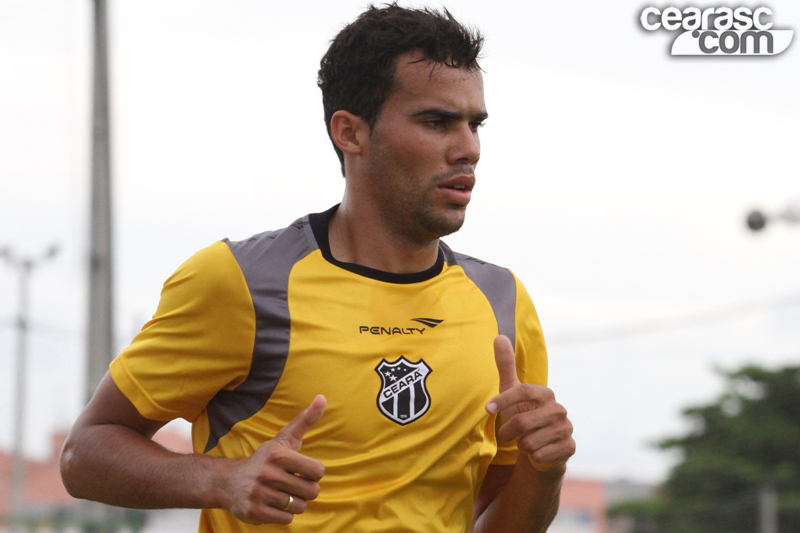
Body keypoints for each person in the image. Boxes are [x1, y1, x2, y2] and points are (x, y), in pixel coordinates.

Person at [60, 4, 575, 532]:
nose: (469, 149)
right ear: (350, 132)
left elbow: (494, 523)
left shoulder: (501, 302)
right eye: (436, 122)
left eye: (475, 124)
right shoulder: (242, 282)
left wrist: (546, 469)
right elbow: (86, 455)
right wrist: (224, 480)